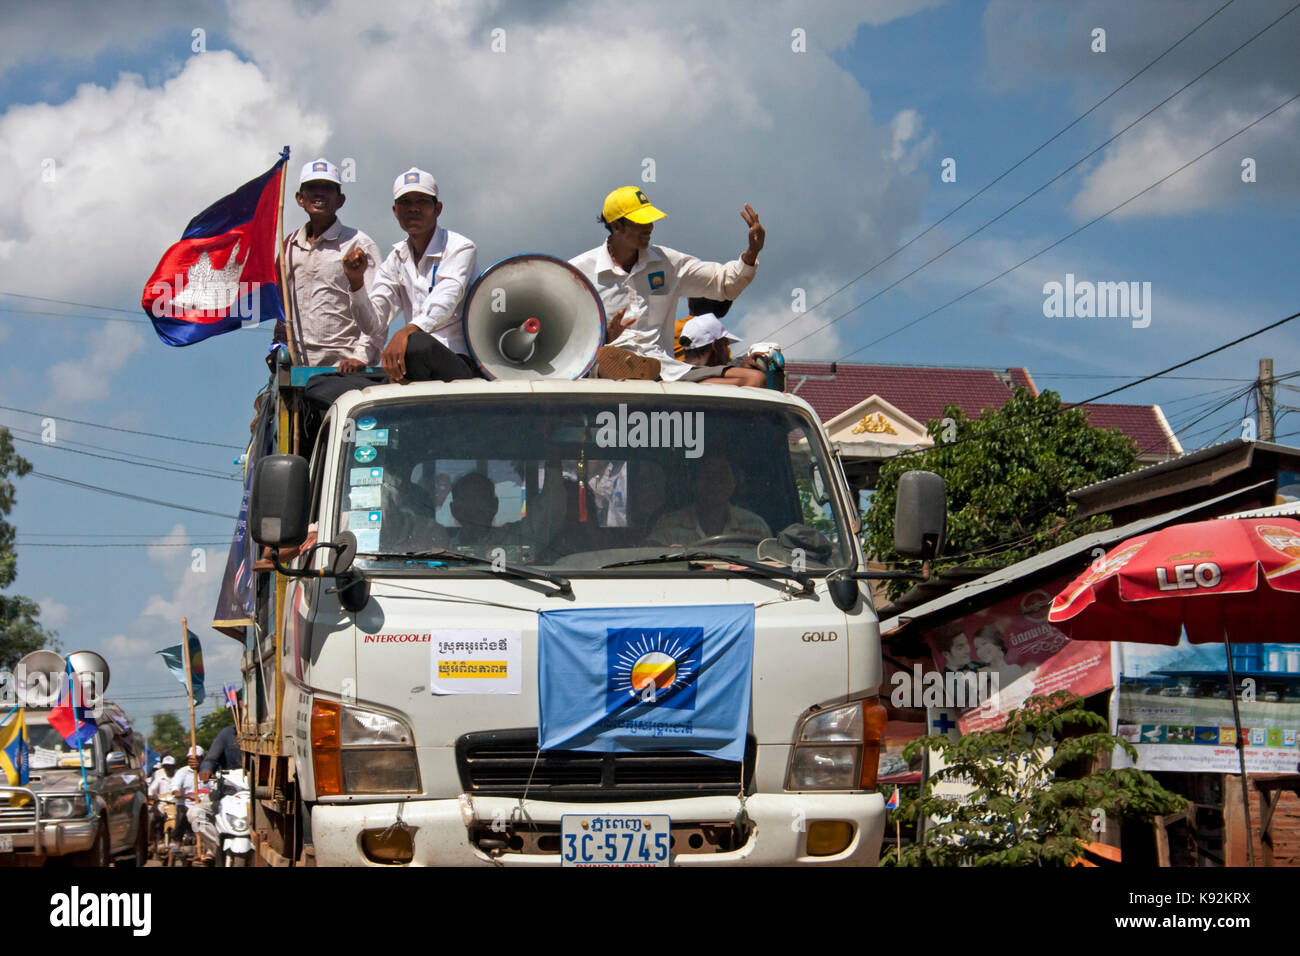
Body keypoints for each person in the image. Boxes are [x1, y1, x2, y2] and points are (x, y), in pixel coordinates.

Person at [569, 187, 765, 382]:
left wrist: (751, 253)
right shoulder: (577, 273)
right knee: (607, 364)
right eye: (641, 221)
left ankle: (640, 373)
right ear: (616, 226)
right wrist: (604, 339)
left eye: (650, 220)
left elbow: (723, 285)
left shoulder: (668, 263)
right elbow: (562, 337)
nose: (650, 227)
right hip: (602, 371)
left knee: (754, 380)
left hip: (665, 370)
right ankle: (626, 368)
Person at [343, 167, 479, 385]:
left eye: (422, 202)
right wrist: (356, 282)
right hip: (411, 358)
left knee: (416, 345)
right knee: (327, 383)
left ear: (438, 209)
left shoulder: (460, 247)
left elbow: (445, 301)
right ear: (395, 211)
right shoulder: (396, 258)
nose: (413, 209)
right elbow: (373, 325)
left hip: (455, 362)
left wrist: (407, 332)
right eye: (405, 202)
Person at [278, 158, 387, 371]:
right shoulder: (289, 246)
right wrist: (278, 344)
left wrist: (361, 357)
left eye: (327, 188)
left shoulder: (358, 244)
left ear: (340, 200)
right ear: (300, 198)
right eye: (312, 188)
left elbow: (378, 310)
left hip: (344, 369)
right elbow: (282, 307)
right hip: (297, 368)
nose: (319, 194)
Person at [650, 454, 771, 546]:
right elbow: (649, 562)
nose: (714, 482)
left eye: (722, 474)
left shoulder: (756, 528)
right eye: (707, 474)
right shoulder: (670, 527)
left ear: (734, 482)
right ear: (693, 482)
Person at [677, 313, 767, 387]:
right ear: (717, 346)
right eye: (726, 344)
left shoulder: (674, 373)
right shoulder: (693, 379)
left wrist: (740, 370)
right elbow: (756, 378)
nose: (728, 351)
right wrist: (745, 374)